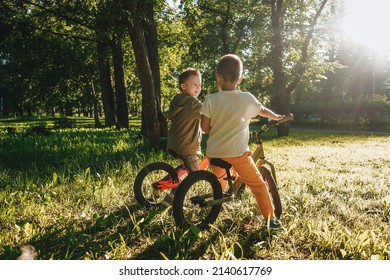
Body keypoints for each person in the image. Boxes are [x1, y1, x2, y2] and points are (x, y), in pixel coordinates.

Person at [200, 54, 284, 228]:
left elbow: (204, 128)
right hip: (238, 153)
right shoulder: (246, 98)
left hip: (214, 152)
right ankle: (271, 219)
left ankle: (218, 204)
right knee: (258, 184)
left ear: (218, 77)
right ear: (240, 78)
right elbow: (262, 110)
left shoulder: (210, 100)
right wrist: (276, 116)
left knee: (219, 180)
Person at [163, 68, 203, 204]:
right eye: (194, 84)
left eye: (200, 85)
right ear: (183, 86)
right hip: (187, 146)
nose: (198, 88)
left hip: (174, 143)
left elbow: (187, 120)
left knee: (183, 167)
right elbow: (209, 113)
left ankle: (162, 183)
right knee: (195, 175)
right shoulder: (193, 103)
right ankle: (171, 198)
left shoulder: (178, 100)